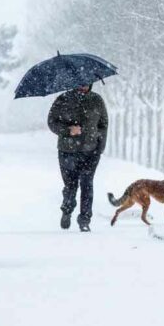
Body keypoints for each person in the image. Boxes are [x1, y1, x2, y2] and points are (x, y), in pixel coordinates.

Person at [47, 84, 108, 232]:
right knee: (71, 185)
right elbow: (52, 122)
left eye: (87, 82)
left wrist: (100, 148)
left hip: (90, 151)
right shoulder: (63, 99)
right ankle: (67, 209)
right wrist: (68, 130)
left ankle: (85, 220)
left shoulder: (97, 100)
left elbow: (103, 125)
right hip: (67, 150)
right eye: (81, 83)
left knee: (87, 185)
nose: (84, 85)